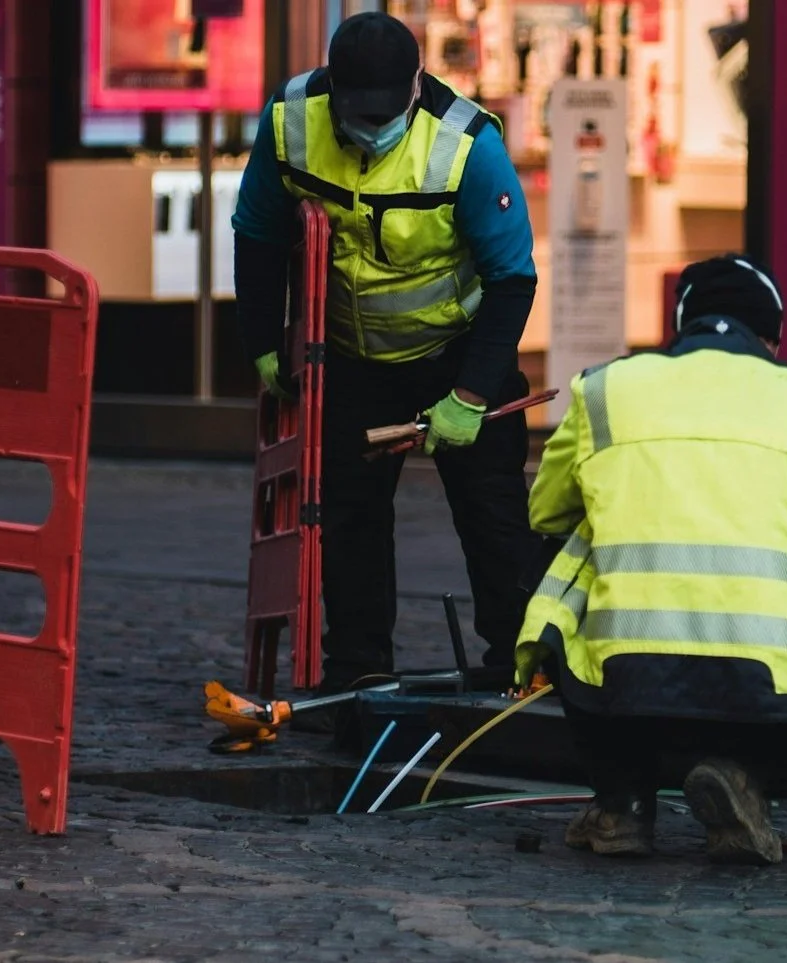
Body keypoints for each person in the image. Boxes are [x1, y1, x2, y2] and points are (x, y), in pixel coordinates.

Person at [515, 256, 787, 865]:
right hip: (784, 698)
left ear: (680, 326)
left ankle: (624, 802)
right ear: (772, 339)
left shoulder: (605, 392)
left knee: (572, 549)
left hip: (625, 688)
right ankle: (741, 772)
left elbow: (545, 514)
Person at [231, 12, 544, 693]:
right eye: (356, 111)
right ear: (331, 88)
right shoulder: (291, 121)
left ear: (416, 85)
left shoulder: (466, 145)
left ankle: (519, 666)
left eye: (386, 111)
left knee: (492, 516)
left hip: (455, 352)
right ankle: (359, 671)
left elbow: (512, 280)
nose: (371, 126)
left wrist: (470, 394)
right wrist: (261, 341)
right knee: (349, 521)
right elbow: (256, 232)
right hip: (353, 360)